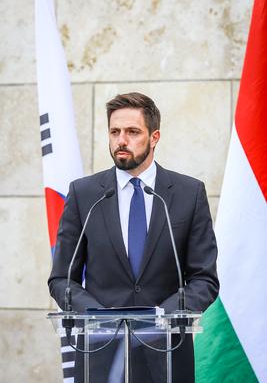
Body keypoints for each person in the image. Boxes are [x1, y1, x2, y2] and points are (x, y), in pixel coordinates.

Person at [48, 92, 219, 383]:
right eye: (114, 132)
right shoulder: (85, 194)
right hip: (100, 352)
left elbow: (205, 279)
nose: (121, 141)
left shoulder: (188, 194)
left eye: (132, 132)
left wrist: (157, 318)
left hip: (166, 353)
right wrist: (99, 317)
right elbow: (61, 279)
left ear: (154, 137)